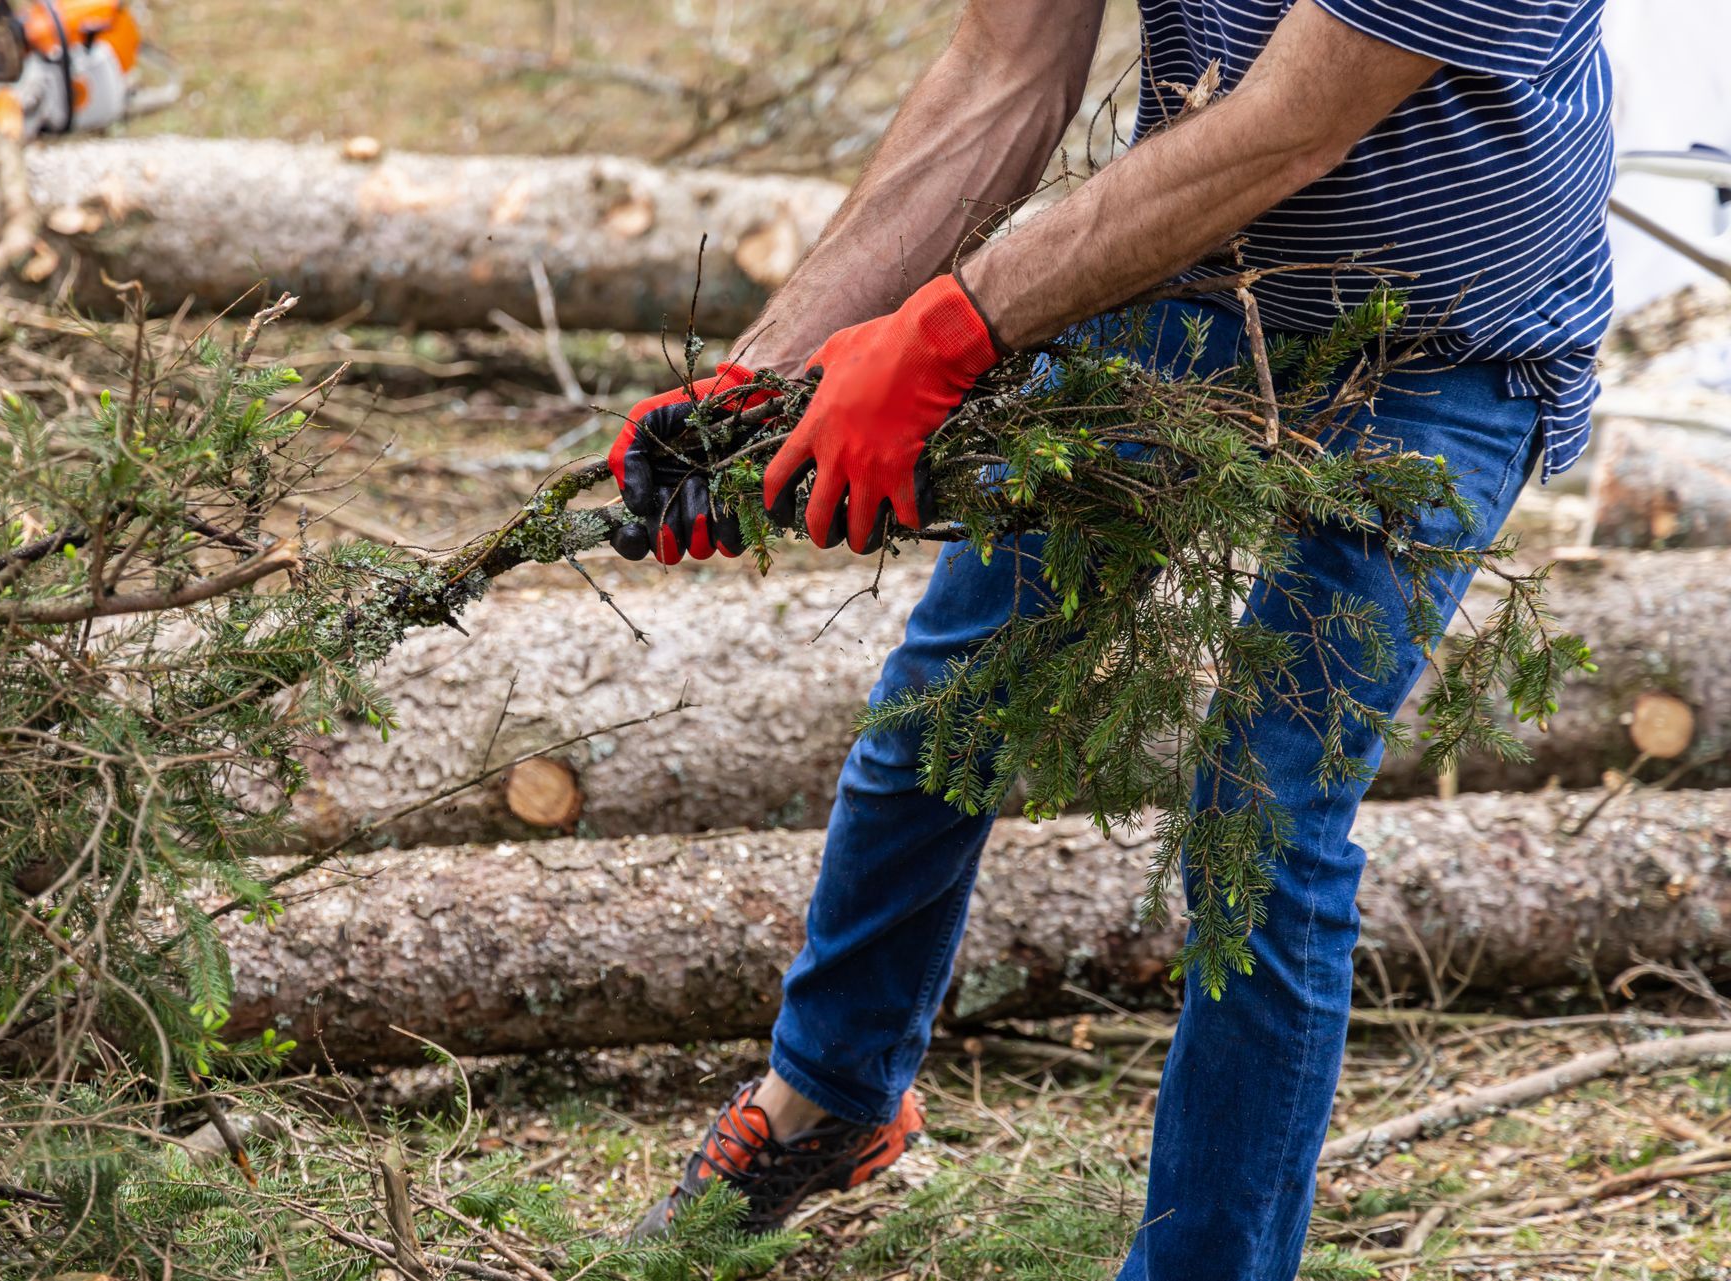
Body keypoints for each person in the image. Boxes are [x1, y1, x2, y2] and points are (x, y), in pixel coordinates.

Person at [606, 1, 1613, 1276]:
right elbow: (1004, 68)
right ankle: (831, 1097)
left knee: (1264, 812)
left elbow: (1288, 128)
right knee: (953, 698)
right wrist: (778, 367)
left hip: (1439, 341)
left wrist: (942, 335)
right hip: (1176, 266)